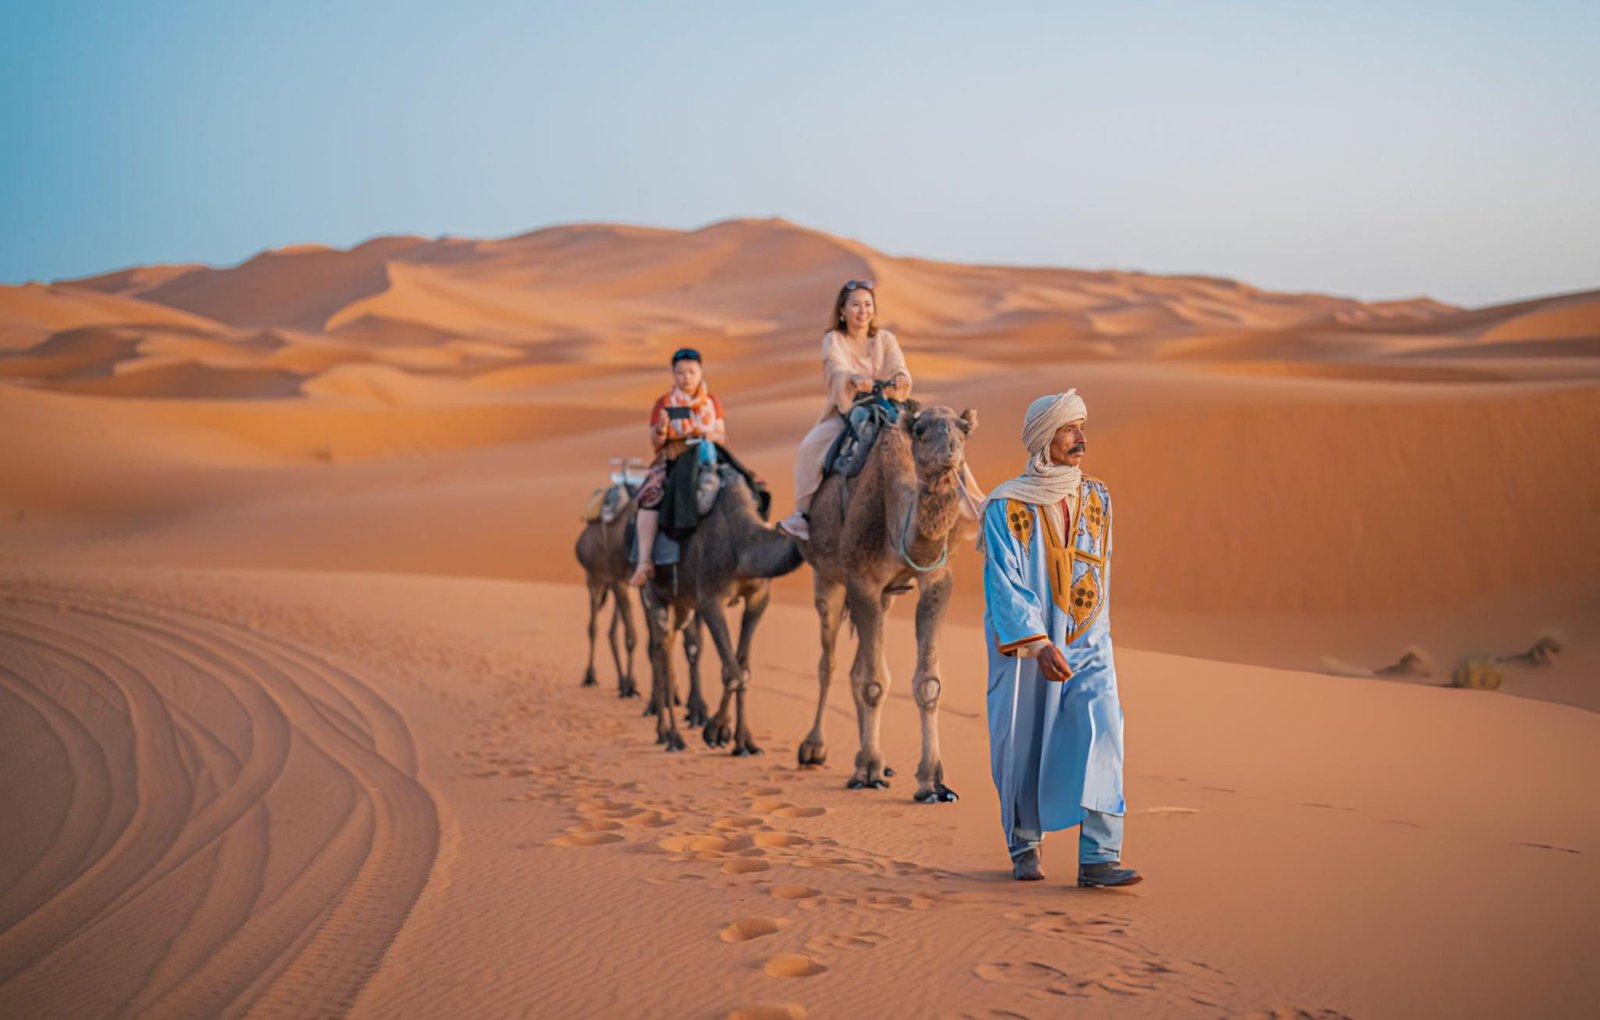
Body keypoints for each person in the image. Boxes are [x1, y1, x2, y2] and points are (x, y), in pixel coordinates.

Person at [979, 390, 1140, 887]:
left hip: (1089, 636)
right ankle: (1024, 844)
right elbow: (1002, 582)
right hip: (1029, 648)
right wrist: (1038, 640)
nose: (1081, 440)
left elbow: (1101, 570)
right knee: (1024, 737)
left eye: (1082, 428)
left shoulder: (1099, 497)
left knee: (1104, 728)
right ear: (1044, 437)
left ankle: (1099, 856)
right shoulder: (1005, 504)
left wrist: (1092, 636)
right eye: (1071, 429)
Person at [777, 279, 982, 540]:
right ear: (842, 310)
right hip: (850, 412)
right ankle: (802, 516)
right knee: (809, 447)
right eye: (855, 305)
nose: (862, 311)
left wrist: (900, 377)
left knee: (942, 437)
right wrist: (851, 379)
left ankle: (973, 502)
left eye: (867, 305)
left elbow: (899, 367)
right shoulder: (834, 340)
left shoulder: (885, 339)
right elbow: (835, 369)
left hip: (890, 410)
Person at [628, 348, 726, 586]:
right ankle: (644, 562)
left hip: (708, 456)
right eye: (680, 372)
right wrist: (662, 428)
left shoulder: (711, 402)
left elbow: (722, 435)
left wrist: (705, 432)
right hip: (673, 456)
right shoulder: (663, 403)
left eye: (691, 371)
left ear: (700, 371)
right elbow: (656, 441)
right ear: (673, 374)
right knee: (650, 497)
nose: (686, 377)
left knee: (749, 487)